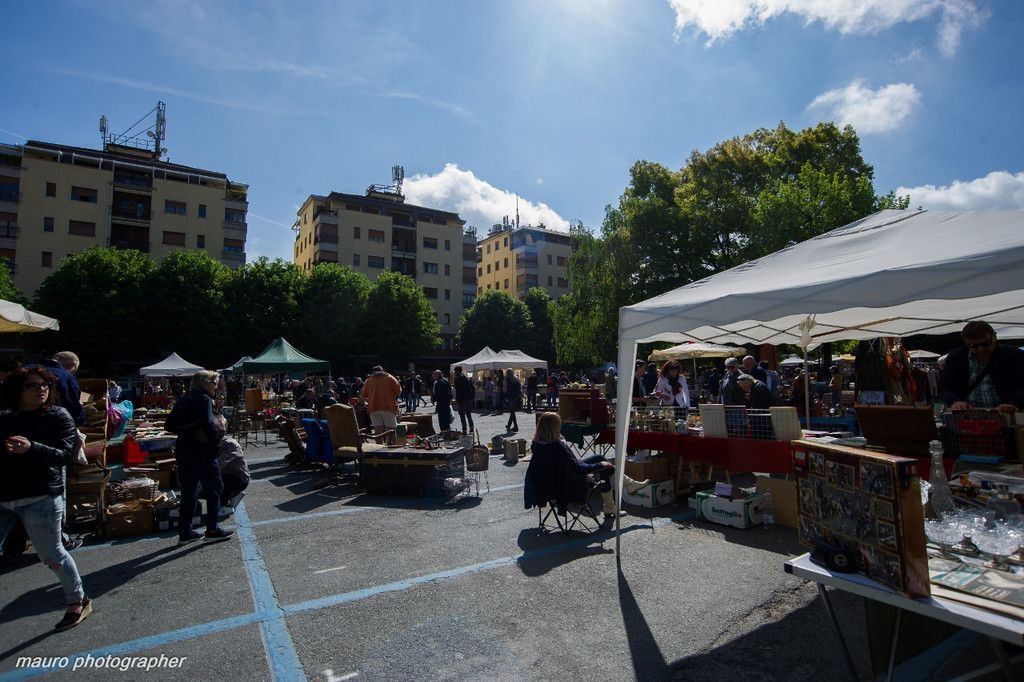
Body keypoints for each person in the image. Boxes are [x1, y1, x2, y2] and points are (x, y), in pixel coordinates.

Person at [0, 367, 91, 630]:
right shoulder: (5, 419)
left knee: (52, 555)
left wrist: (32, 448)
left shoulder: (58, 416)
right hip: (5, 496)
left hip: (40, 495)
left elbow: (64, 455)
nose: (41, 389)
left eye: (45, 385)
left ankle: (77, 601)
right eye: (33, 385)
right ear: (17, 390)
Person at [526, 412, 647, 526]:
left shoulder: (537, 444)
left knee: (599, 458)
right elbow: (578, 467)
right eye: (559, 424)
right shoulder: (557, 445)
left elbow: (568, 464)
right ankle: (616, 500)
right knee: (605, 468)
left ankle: (625, 490)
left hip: (549, 484)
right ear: (554, 427)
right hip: (566, 484)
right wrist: (600, 465)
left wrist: (599, 464)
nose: (560, 427)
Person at [165, 370, 233, 544]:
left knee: (189, 490)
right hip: (202, 450)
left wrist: (187, 428)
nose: (216, 386)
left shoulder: (183, 399)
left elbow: (169, 425)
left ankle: (185, 532)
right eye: (214, 383)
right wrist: (215, 443)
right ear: (204, 383)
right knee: (214, 487)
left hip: (183, 449)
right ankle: (212, 529)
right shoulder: (203, 399)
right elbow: (208, 423)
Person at [939, 321, 1024, 413]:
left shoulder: (1014, 355)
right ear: (965, 342)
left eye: (986, 344)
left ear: (995, 336)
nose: (981, 349)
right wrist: (955, 401)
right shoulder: (955, 357)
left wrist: (1014, 403)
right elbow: (944, 388)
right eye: (973, 346)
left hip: (1008, 414)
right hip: (969, 415)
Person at [35, 352, 85, 427]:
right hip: (50, 426)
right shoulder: (67, 377)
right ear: (72, 365)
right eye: (73, 371)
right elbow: (75, 411)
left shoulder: (25, 370)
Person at [213, 415, 249, 510]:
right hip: (226, 474)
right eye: (215, 426)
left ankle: (225, 503)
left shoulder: (230, 444)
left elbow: (219, 464)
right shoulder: (214, 442)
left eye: (220, 427)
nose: (218, 429)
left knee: (212, 480)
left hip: (239, 478)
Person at [360, 366, 402, 433]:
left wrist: (367, 402)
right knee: (391, 430)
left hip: (373, 408)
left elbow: (362, 395)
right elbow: (399, 392)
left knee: (378, 429)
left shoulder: (369, 380)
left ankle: (379, 440)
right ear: (383, 370)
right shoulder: (390, 378)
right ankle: (390, 440)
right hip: (388, 407)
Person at [453, 366, 475, 435]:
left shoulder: (457, 378)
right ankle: (471, 428)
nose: (454, 372)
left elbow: (458, 391)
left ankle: (464, 430)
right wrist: (472, 397)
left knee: (462, 416)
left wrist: (457, 399)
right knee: (468, 414)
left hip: (461, 399)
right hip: (468, 398)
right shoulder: (467, 377)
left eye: (455, 371)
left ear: (457, 371)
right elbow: (472, 388)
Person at [505, 368, 522, 432]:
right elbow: (519, 389)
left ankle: (515, 426)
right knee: (512, 411)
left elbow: (508, 390)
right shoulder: (516, 379)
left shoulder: (508, 380)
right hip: (516, 397)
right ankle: (510, 425)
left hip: (511, 397)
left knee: (512, 412)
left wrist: (506, 396)